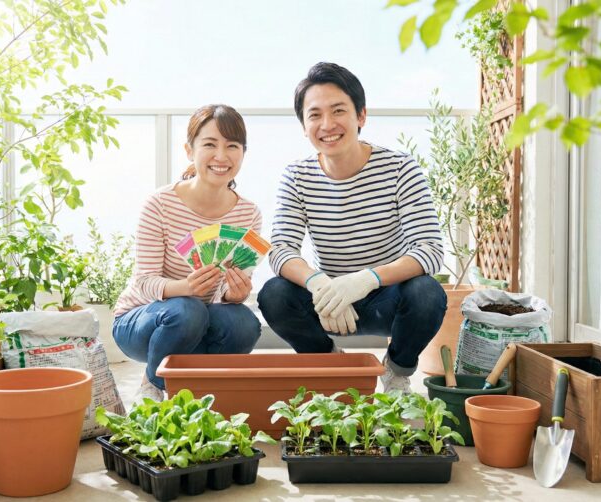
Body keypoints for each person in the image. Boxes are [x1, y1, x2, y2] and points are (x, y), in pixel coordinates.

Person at [257, 62, 447, 394]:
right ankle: (330, 363)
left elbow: (429, 250)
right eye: (314, 115)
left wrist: (364, 280)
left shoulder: (401, 168)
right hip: (328, 303)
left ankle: (397, 373)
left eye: (338, 111)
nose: (327, 124)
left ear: (361, 116)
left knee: (427, 293)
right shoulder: (296, 176)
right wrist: (319, 284)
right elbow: (281, 249)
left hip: (385, 300)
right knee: (274, 294)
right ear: (304, 126)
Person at [113, 104, 262, 403]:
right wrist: (186, 288)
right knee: (188, 308)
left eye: (232, 146)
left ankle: (202, 389)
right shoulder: (160, 203)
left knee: (245, 322)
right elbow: (144, 281)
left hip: (199, 320)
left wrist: (236, 294)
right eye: (209, 144)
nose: (221, 156)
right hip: (142, 319)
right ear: (189, 150)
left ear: (243, 153)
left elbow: (227, 296)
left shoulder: (248, 213)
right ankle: (154, 386)